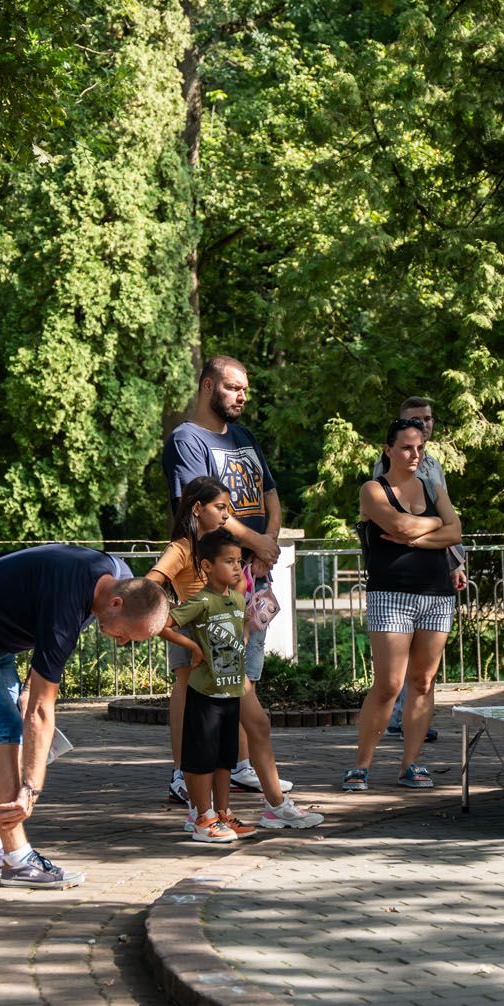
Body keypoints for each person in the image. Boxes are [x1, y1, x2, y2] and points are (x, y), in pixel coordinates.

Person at [0, 545, 168, 889]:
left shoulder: (115, 575)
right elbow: (41, 711)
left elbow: (37, 690)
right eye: (126, 634)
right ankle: (17, 860)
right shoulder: (69, 602)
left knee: (6, 736)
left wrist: (30, 691)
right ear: (116, 603)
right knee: (5, 729)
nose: (121, 643)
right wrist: (31, 790)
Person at [147, 481, 320, 830]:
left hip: (227, 656)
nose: (228, 515)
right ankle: (205, 814)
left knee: (250, 728)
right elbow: (150, 585)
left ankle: (266, 807)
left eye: (229, 508)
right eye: (220, 507)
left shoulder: (222, 545)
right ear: (197, 509)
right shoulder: (181, 549)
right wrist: (186, 636)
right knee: (209, 737)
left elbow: (235, 590)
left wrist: (241, 605)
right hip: (202, 658)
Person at [163, 355, 283, 801]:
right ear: (208, 386)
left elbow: (271, 496)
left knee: (243, 672)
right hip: (205, 575)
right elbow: (207, 511)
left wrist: (267, 546)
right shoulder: (186, 440)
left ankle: (239, 765)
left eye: (245, 389)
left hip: (250, 574)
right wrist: (258, 542)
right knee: (192, 675)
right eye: (233, 387)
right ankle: (184, 773)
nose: (241, 397)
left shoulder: (244, 437)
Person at [345, 417, 462, 792]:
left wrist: (417, 537)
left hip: (437, 594)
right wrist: (435, 524)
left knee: (423, 682)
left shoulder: (433, 488)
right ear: (389, 450)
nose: (415, 454)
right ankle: (361, 766)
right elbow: (398, 526)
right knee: (389, 684)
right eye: (407, 447)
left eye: (420, 448)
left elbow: (456, 532)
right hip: (390, 594)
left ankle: (410, 764)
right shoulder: (373, 489)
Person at [373, 396, 467, 744]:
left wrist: (455, 562)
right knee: (396, 668)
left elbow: (451, 526)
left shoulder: (433, 464)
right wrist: (434, 525)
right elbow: (394, 522)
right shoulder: (387, 464)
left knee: (425, 670)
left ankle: (415, 723)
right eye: (416, 419)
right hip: (398, 578)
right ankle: (395, 722)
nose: (424, 425)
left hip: (435, 571)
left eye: (428, 419)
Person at [159, 530, 257, 842]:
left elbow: (242, 629)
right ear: (206, 566)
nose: (236, 567)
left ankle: (223, 814)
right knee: (201, 758)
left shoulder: (237, 600)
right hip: (205, 693)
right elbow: (163, 626)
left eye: (239, 561)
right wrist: (193, 647)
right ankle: (203, 817)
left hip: (231, 692)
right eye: (228, 561)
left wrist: (244, 638)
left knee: (225, 759)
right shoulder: (200, 601)